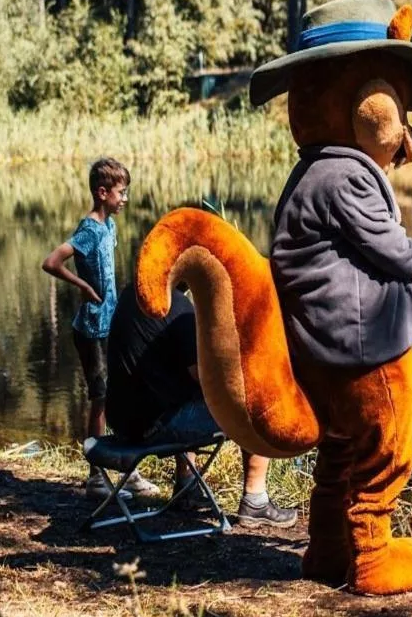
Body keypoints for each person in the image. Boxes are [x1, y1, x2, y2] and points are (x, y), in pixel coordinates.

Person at [106, 280, 298, 528]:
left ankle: (186, 485)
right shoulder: (179, 309)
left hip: (122, 423)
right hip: (152, 429)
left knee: (181, 391)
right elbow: (209, 382)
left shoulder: (134, 292)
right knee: (256, 401)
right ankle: (255, 501)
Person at [41, 157, 151, 500]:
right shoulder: (89, 229)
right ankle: (96, 478)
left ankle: (126, 469)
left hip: (112, 325)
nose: (125, 199)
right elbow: (51, 262)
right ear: (102, 193)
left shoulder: (110, 227)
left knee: (123, 394)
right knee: (100, 398)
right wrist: (83, 287)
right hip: (91, 330)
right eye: (121, 193)